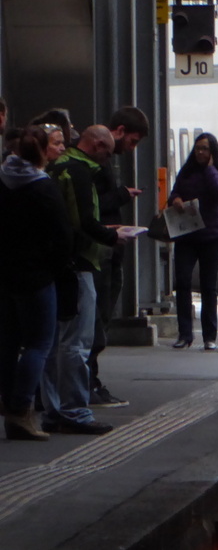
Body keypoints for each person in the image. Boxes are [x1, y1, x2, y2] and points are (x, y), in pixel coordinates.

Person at [42, 125, 122, 435]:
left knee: (51, 342)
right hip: (78, 262)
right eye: (109, 153)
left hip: (51, 264)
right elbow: (84, 220)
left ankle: (52, 409)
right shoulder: (78, 172)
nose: (108, 160)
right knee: (76, 341)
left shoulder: (52, 170)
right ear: (99, 146)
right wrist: (112, 236)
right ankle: (74, 410)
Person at [0, 126, 74, 440]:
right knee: (39, 344)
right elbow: (62, 236)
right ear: (42, 153)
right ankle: (20, 411)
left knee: (7, 342)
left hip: (5, 275)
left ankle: (8, 403)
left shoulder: (2, 181)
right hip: (37, 277)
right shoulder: (44, 188)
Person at [89, 106, 149, 408]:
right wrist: (123, 195)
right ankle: (88, 381)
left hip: (111, 247)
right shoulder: (94, 165)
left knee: (102, 315)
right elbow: (94, 207)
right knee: (97, 316)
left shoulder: (103, 163)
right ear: (120, 131)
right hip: (101, 249)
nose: (131, 149)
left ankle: (91, 379)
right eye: (133, 141)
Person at [168, 133, 218, 350]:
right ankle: (185, 334)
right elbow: (175, 191)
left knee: (208, 286)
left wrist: (210, 168)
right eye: (197, 149)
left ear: (213, 152)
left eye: (205, 149)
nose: (200, 153)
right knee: (183, 283)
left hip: (213, 237)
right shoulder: (187, 171)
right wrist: (175, 198)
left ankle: (209, 336)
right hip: (187, 235)